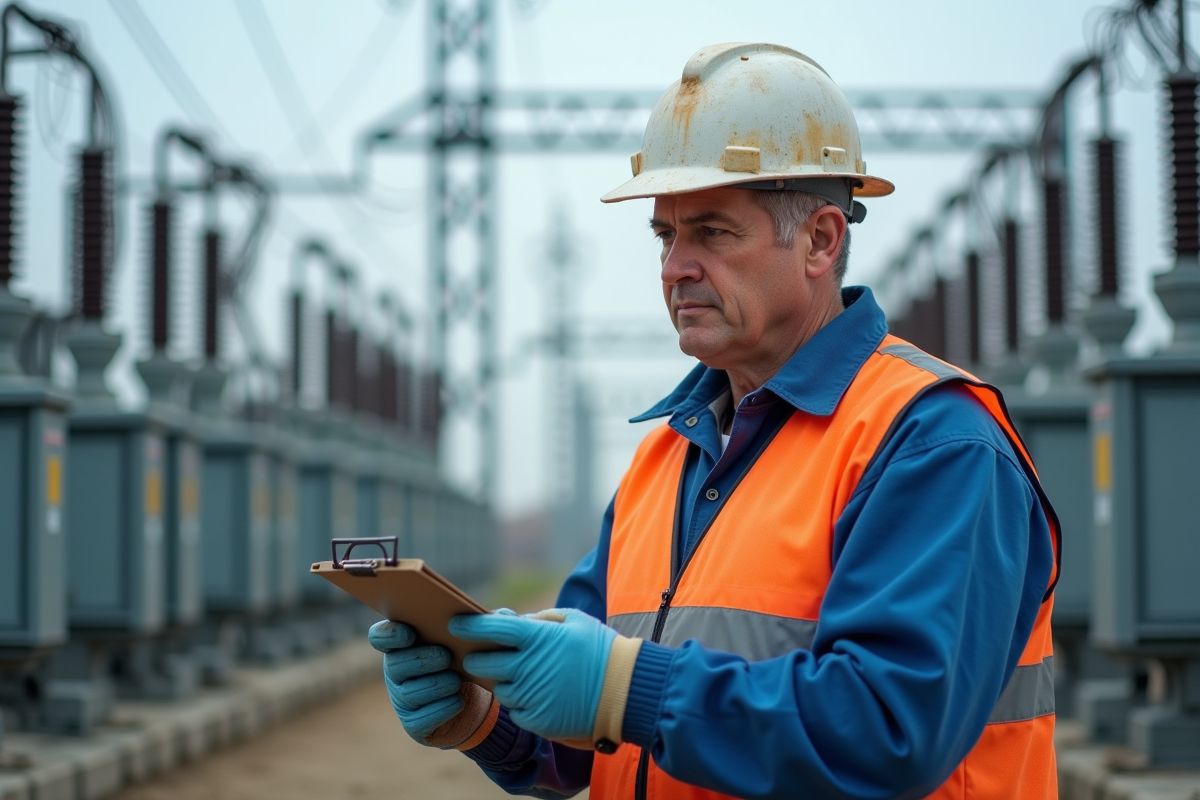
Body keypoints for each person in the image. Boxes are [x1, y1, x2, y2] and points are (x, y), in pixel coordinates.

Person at [368, 42, 1061, 800]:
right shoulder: (665, 460)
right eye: (666, 236)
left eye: (712, 232)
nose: (674, 267)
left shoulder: (932, 443)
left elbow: (887, 729)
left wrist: (623, 690)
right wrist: (486, 715)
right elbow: (594, 739)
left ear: (820, 241)